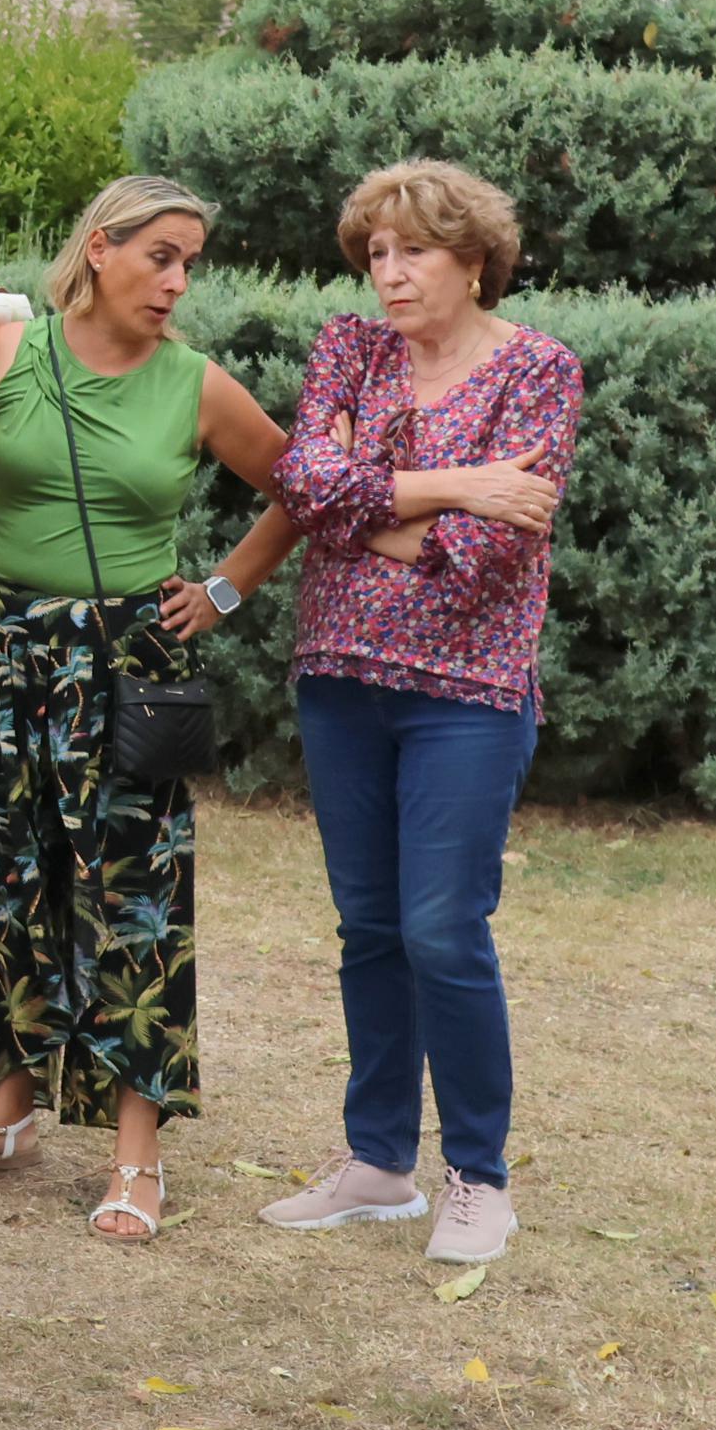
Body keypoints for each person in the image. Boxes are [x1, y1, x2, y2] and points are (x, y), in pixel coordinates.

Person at [0, 178, 301, 1242]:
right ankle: (8, 1106)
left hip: (123, 657)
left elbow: (301, 487)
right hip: (0, 651)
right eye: (158, 255)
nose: (174, 281)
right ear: (98, 248)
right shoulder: (3, 353)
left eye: (188, 263)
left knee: (134, 901)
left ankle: (135, 1154)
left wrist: (218, 591)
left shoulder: (194, 386)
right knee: (8, 878)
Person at [257, 161, 580, 1270]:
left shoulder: (538, 370)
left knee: (442, 929)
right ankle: (377, 1163)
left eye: (412, 253)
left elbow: (487, 556)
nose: (387, 274)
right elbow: (303, 486)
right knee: (369, 930)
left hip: (464, 698)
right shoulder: (347, 349)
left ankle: (478, 1179)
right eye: (374, 254)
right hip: (338, 679)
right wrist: (452, 484)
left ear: (472, 258)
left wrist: (373, 506)